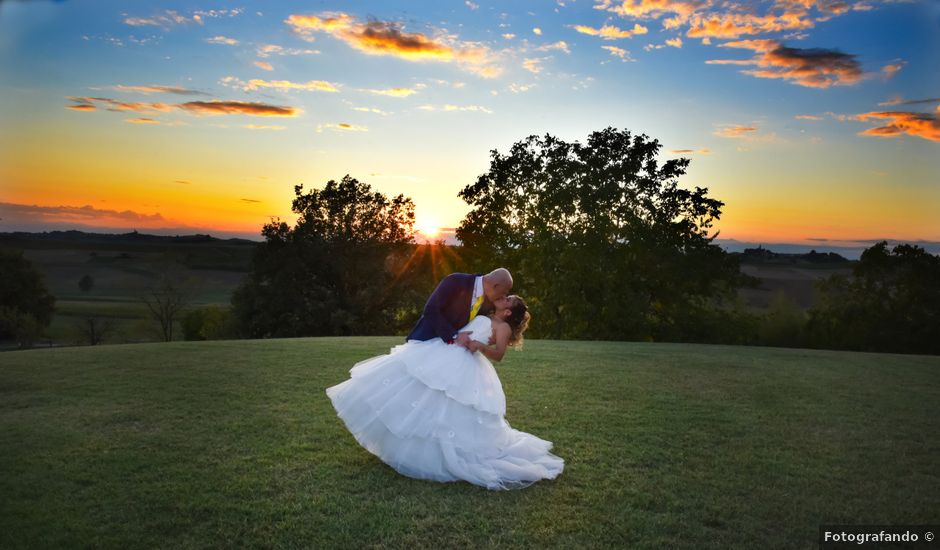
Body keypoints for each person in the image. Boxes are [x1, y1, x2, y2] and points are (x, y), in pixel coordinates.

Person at [325, 294, 564, 490]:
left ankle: (443, 453)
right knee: (420, 390)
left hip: (465, 362)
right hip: (447, 353)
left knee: (450, 404)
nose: (504, 298)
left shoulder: (502, 327)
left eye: (508, 299)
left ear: (509, 312)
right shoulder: (488, 313)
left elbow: (499, 354)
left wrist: (479, 346)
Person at [406, 268, 513, 349]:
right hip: (425, 341)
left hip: (450, 352)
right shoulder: (455, 281)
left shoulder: (488, 302)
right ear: (496, 286)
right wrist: (454, 335)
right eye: (504, 292)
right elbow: (431, 309)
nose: (503, 296)